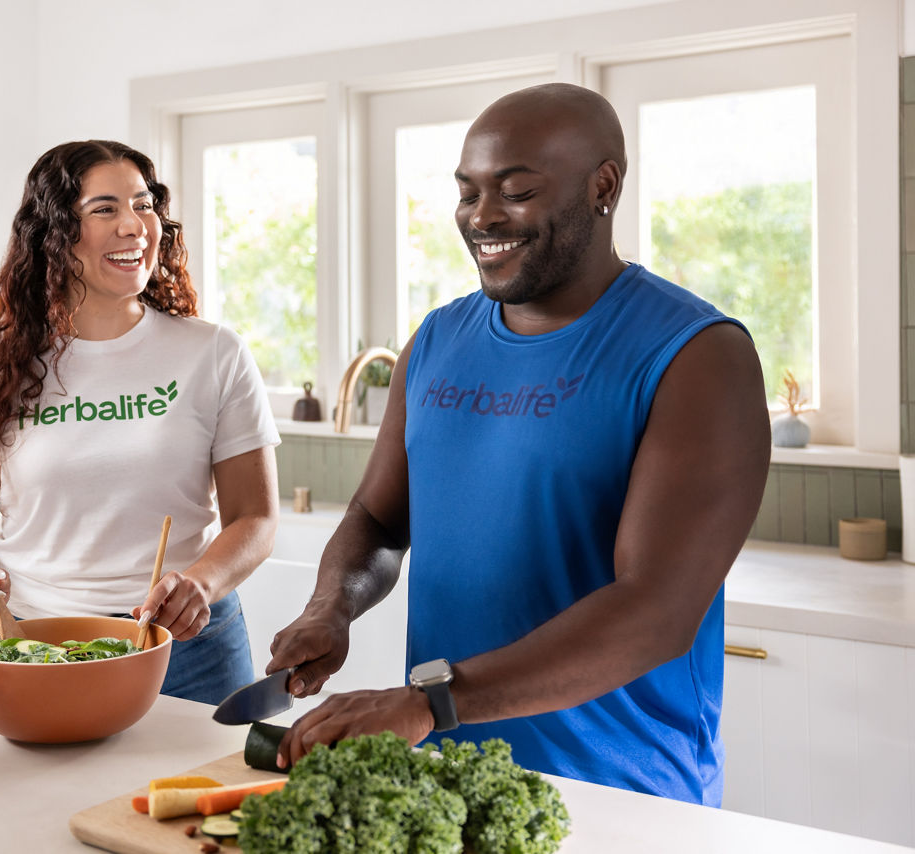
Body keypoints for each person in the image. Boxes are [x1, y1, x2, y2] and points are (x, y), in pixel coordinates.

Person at [265, 83, 770, 806]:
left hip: (621, 795)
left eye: (516, 190)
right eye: (467, 192)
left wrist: (428, 701)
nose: (482, 217)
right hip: (449, 782)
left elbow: (656, 610)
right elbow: (379, 523)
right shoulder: (437, 340)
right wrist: (330, 607)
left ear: (603, 185)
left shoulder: (696, 354)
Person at [0, 140, 280, 705]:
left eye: (144, 205)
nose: (134, 225)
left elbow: (255, 518)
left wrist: (201, 585)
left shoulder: (213, 353)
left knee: (211, 795)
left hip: (185, 645)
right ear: (54, 233)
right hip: (36, 644)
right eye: (105, 209)